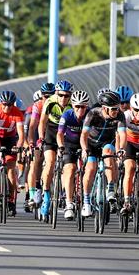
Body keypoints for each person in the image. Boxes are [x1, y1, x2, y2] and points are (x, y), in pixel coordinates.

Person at [80, 91, 126, 217]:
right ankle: (86, 202)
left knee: (109, 153)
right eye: (114, 109)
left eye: (118, 107)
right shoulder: (93, 114)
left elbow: (122, 134)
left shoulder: (120, 115)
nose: (117, 111)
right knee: (90, 169)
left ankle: (110, 188)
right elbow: (84, 134)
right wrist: (84, 149)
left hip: (107, 143)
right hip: (91, 144)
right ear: (105, 108)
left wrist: (121, 148)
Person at [38, 80, 73, 217]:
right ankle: (46, 194)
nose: (64, 98)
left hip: (67, 132)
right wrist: (41, 138)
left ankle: (65, 192)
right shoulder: (50, 102)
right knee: (50, 161)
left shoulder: (72, 104)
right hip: (52, 131)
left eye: (67, 95)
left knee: (67, 166)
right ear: (56, 94)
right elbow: (42, 122)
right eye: (61, 95)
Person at [56, 90, 90, 220]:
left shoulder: (90, 115)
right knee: (69, 170)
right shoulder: (67, 115)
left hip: (86, 145)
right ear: (73, 106)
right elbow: (59, 134)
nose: (80, 109)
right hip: (69, 144)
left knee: (90, 169)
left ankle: (88, 198)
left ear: (87, 106)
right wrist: (61, 146)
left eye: (83, 106)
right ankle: (69, 204)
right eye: (77, 106)